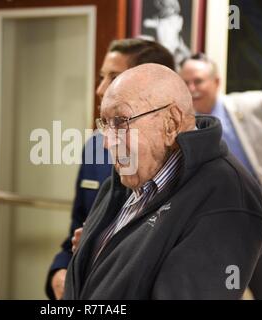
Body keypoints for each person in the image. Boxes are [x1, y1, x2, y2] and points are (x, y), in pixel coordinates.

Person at [63, 63, 262, 299]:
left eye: (120, 122)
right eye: (105, 124)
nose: (107, 142)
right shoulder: (126, 180)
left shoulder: (228, 197)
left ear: (170, 123)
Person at [45, 39, 175, 300]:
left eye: (113, 78)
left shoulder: (176, 157)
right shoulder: (95, 145)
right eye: (102, 77)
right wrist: (59, 271)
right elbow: (77, 228)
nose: (101, 89)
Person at [179, 53, 262, 299]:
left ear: (217, 82)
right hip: (211, 220)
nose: (192, 89)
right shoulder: (180, 121)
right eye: (186, 83)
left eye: (198, 81)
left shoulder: (252, 105)